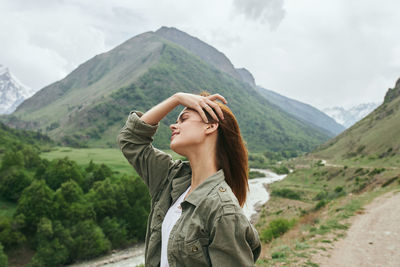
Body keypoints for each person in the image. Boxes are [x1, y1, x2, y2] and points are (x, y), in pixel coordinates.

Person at [117, 91, 261, 267]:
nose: (172, 126)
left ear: (210, 127)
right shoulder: (170, 179)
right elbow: (131, 139)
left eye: (183, 119)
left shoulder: (223, 210)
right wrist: (175, 99)